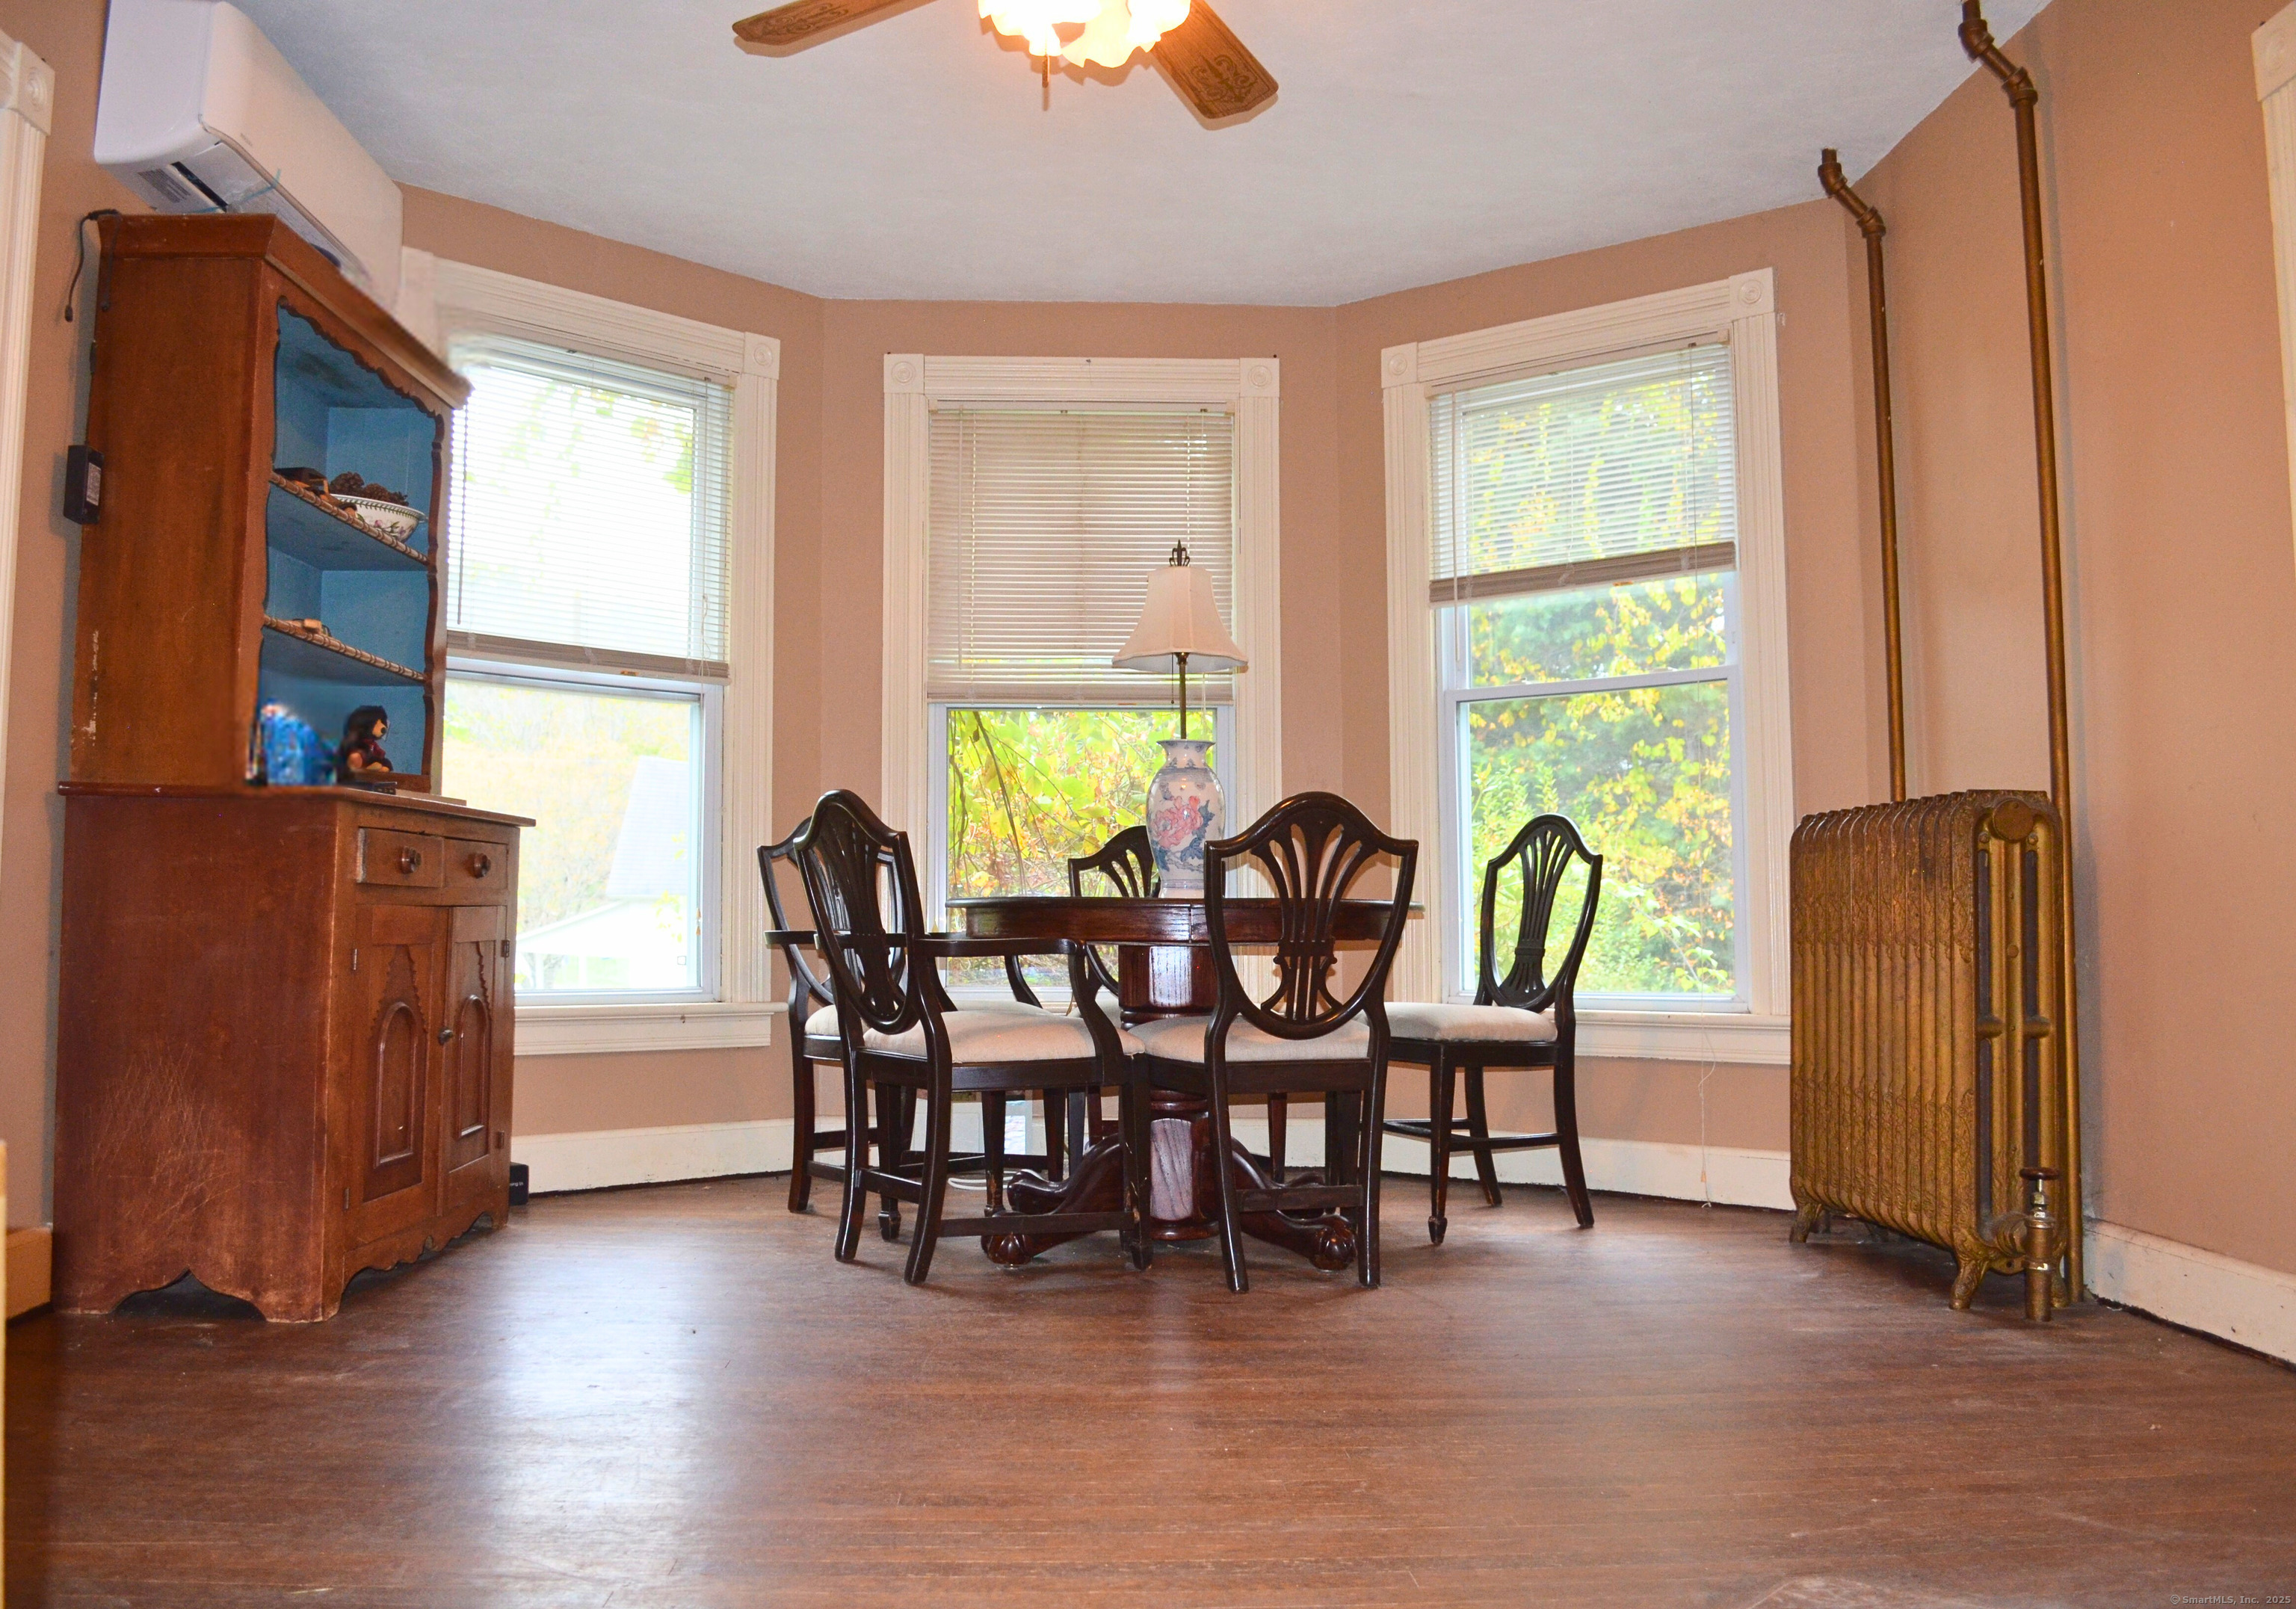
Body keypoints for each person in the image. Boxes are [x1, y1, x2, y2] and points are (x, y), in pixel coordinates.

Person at [337, 705, 392, 785]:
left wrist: (381, 757)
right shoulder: (355, 740)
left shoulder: (372, 743)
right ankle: (366, 768)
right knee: (356, 757)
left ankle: (377, 768)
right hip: (356, 768)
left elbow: (379, 753)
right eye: (376, 723)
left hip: (370, 766)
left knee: (385, 762)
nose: (383, 727)